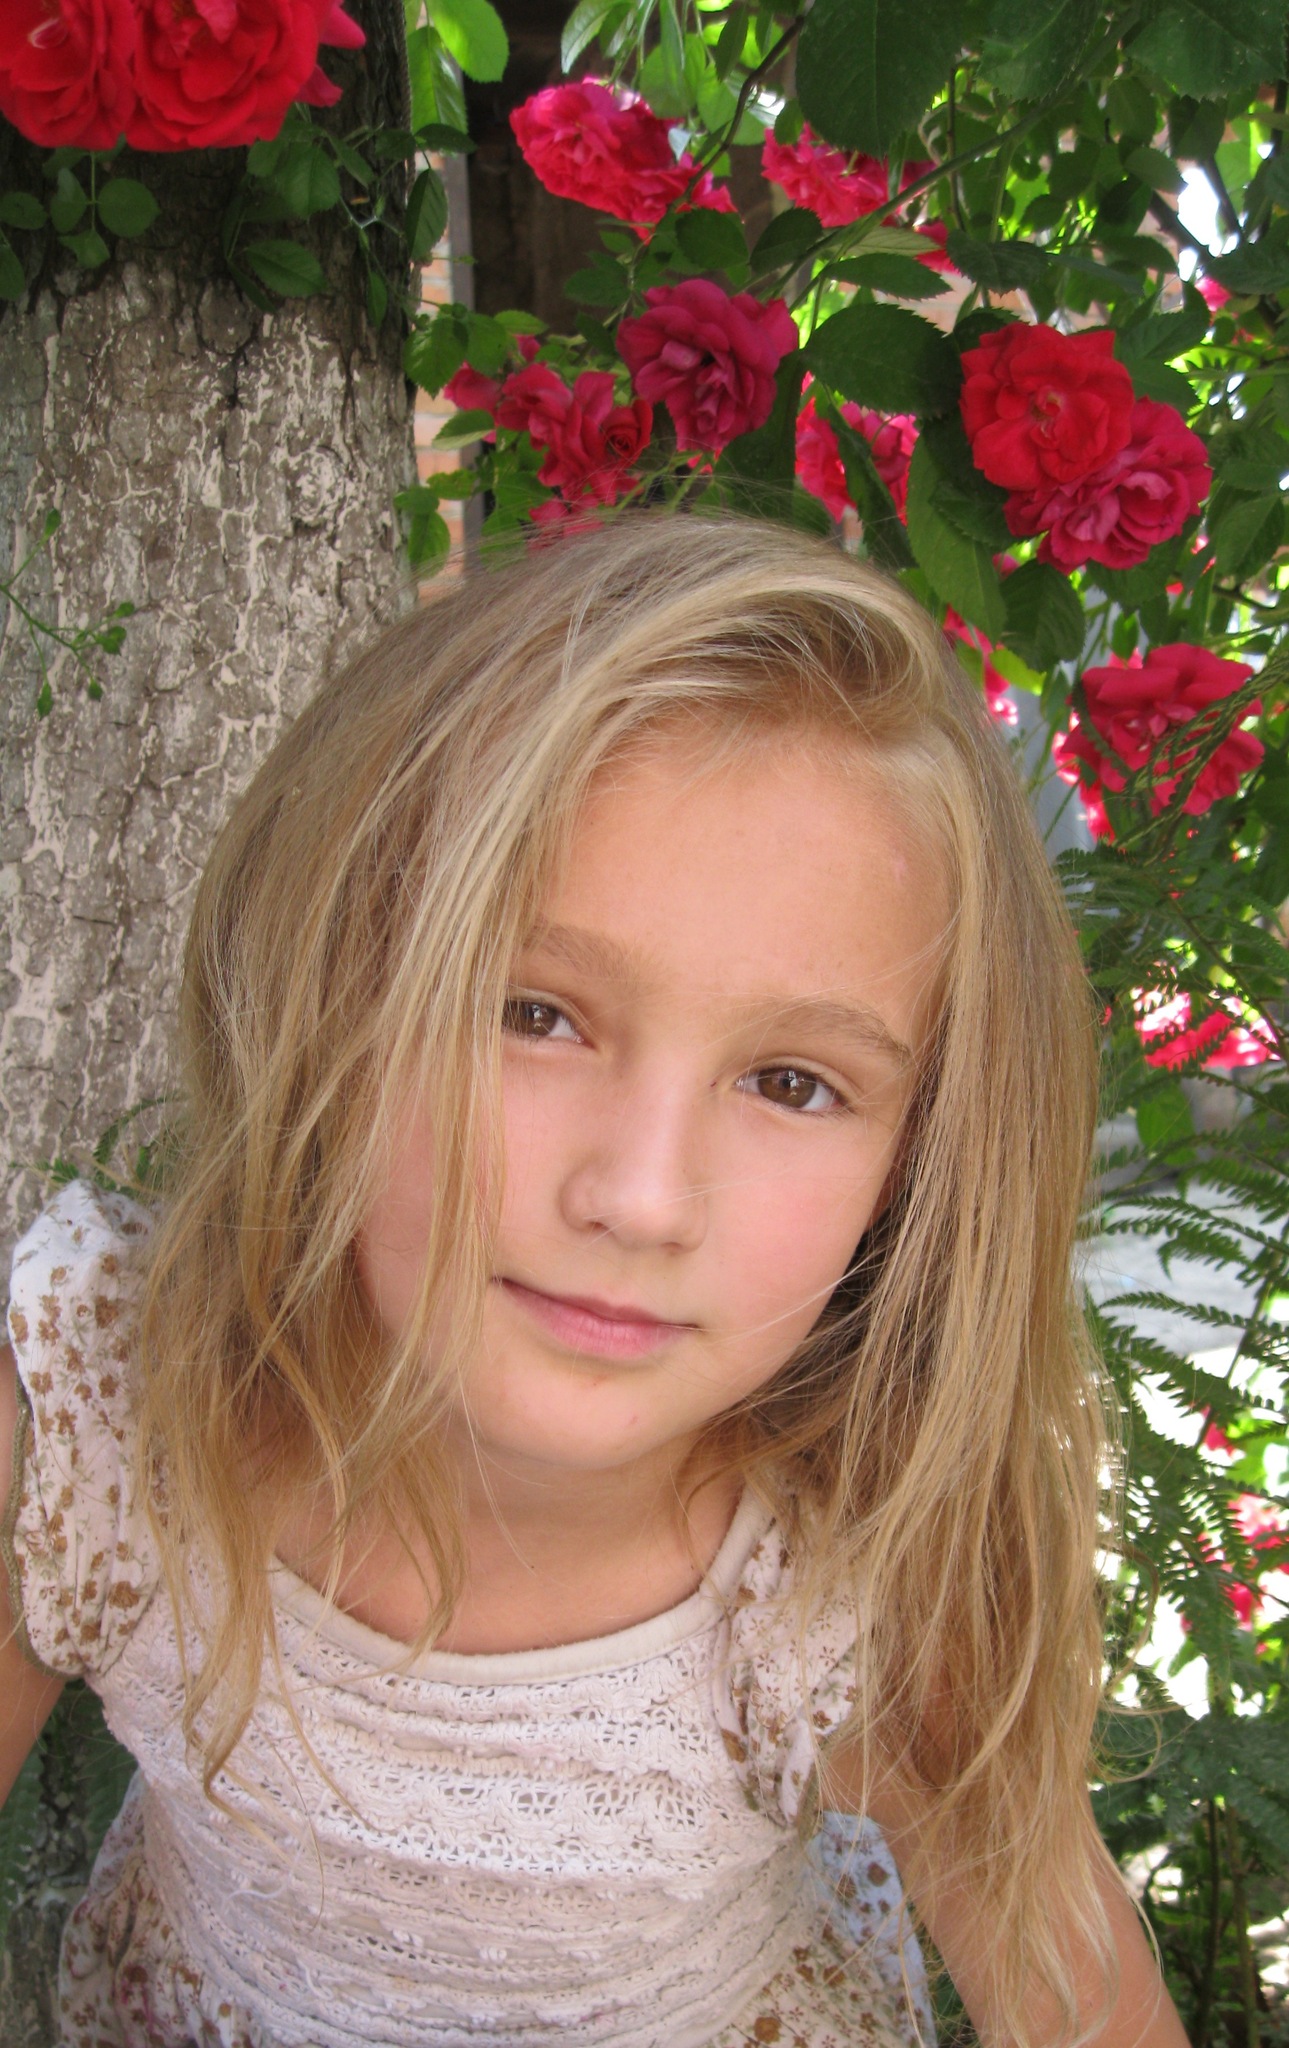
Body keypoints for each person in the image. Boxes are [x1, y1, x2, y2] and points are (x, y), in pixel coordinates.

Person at [0, 514, 1185, 2048]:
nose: (637, 1197)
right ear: (326, 993)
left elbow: (1086, 2007)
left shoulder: (854, 1571)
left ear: (919, 1161)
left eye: (790, 1082)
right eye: (533, 1013)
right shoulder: (105, 1414)